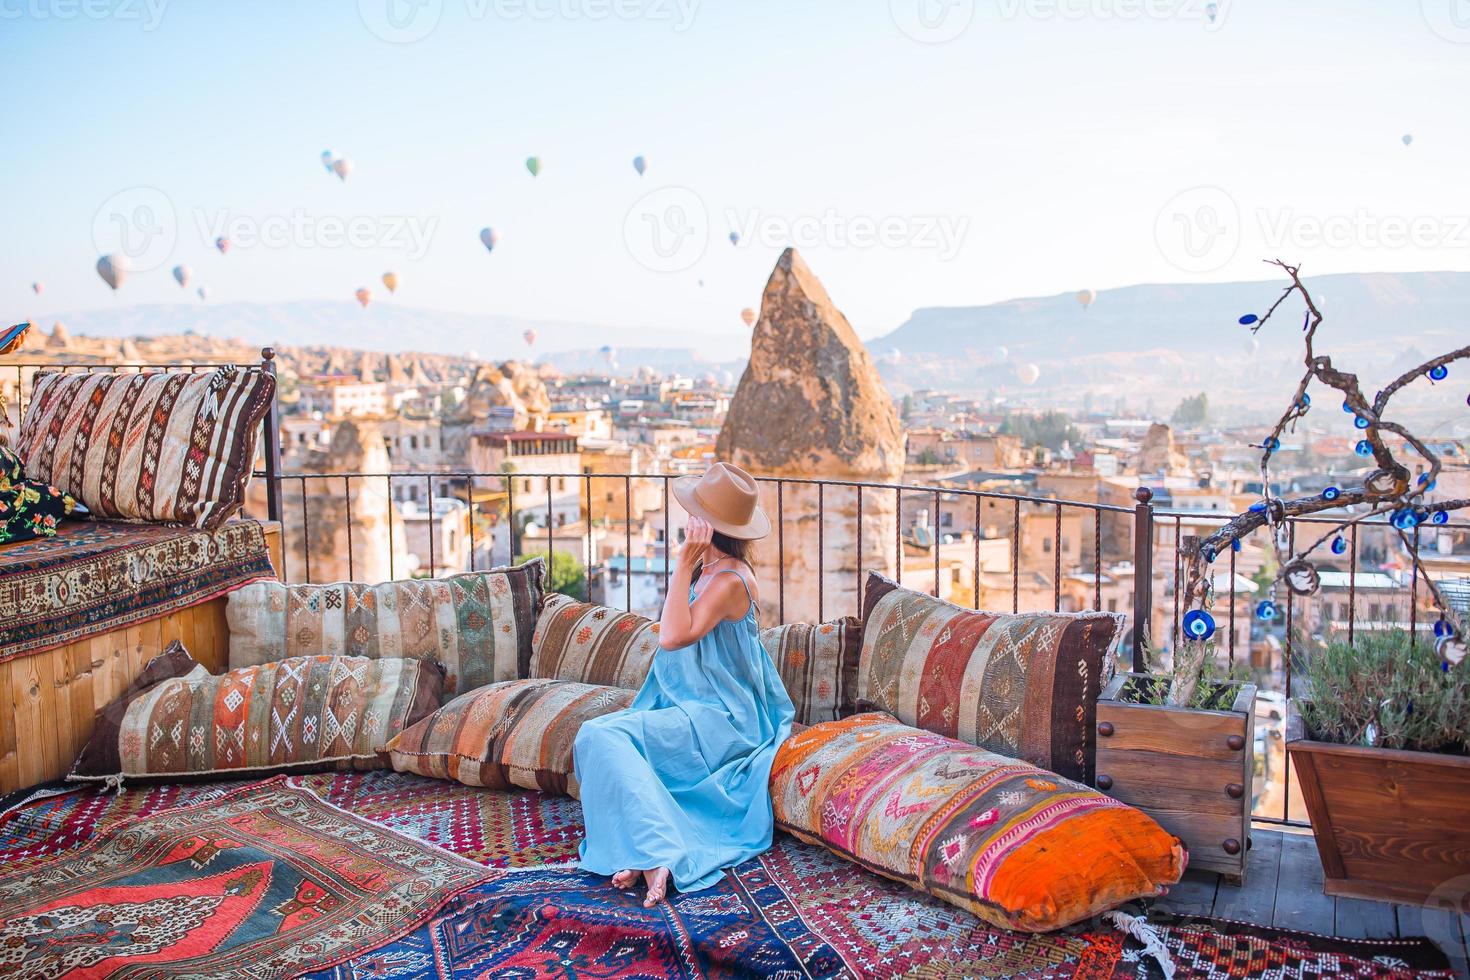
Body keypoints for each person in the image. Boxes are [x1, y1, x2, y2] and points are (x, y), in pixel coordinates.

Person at [573, 461, 795, 907]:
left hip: (723, 720)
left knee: (601, 734)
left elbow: (672, 636)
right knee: (600, 740)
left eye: (694, 514)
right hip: (690, 710)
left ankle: (657, 853)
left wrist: (682, 562)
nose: (686, 520)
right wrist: (691, 566)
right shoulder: (709, 571)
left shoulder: (732, 579)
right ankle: (644, 849)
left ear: (708, 525)